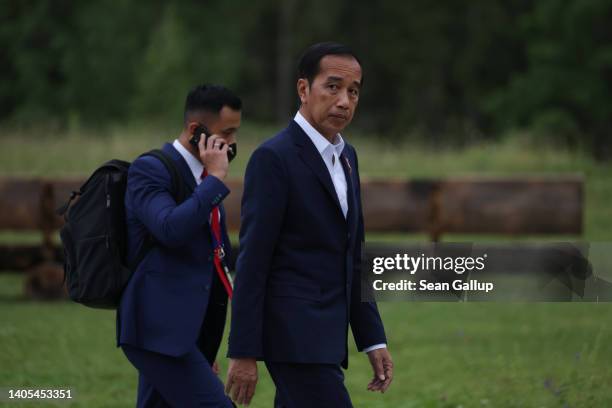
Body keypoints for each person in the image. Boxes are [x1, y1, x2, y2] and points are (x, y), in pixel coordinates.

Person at [225, 42, 393, 407]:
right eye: (332, 87)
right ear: (303, 89)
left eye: (353, 91)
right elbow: (252, 260)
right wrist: (243, 351)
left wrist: (372, 338)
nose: (345, 101)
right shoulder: (274, 158)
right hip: (292, 338)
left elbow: (355, 255)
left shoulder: (347, 156)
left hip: (329, 338)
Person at [117, 84, 241, 407]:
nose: (232, 144)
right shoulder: (151, 169)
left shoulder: (205, 179)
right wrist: (214, 180)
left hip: (184, 336)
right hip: (155, 332)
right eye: (226, 134)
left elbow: (215, 260)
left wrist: (200, 345)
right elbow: (169, 228)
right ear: (195, 130)